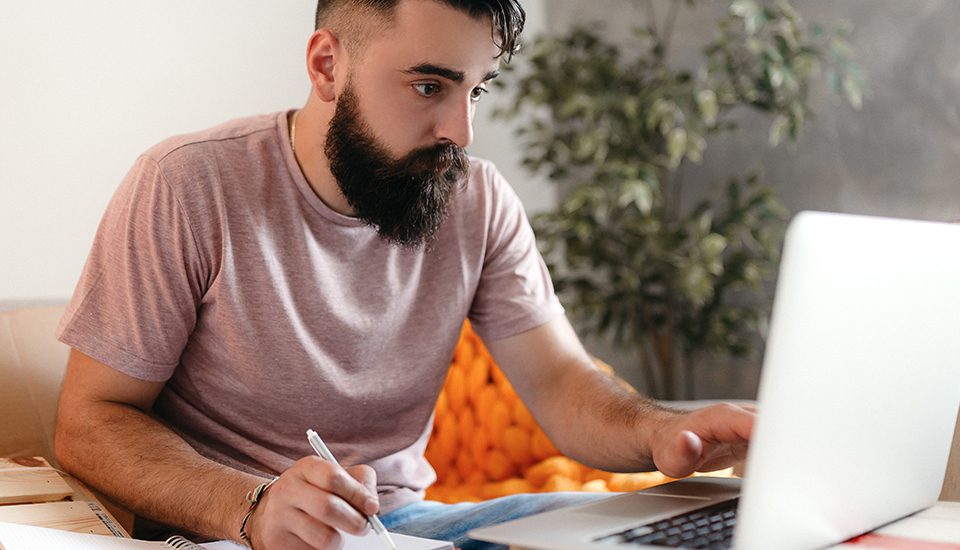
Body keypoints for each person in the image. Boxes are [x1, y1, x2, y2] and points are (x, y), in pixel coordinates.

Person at [53, 1, 755, 549]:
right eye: (429, 85)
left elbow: (563, 385)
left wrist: (665, 433)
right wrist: (252, 508)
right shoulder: (186, 185)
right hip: (231, 535)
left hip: (412, 528)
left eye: (477, 90)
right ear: (327, 65)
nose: (462, 130)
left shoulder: (478, 201)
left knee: (675, 535)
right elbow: (88, 424)